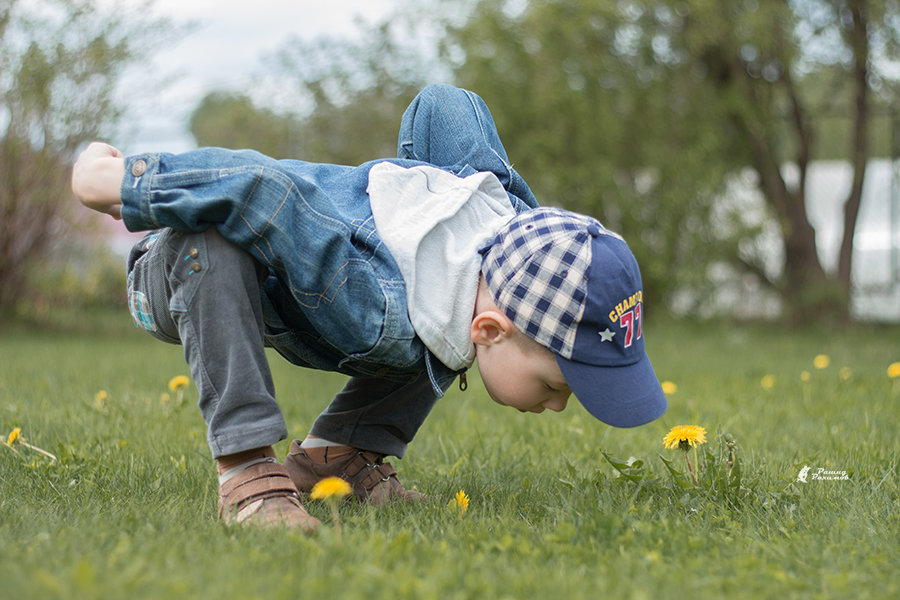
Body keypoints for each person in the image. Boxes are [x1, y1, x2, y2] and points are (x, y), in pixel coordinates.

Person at [71, 84, 667, 531]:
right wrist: (121, 183)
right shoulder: (372, 304)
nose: (559, 405)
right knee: (219, 240)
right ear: (494, 327)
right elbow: (267, 190)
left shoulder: (497, 236)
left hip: (355, 285)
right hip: (178, 269)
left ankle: (337, 456)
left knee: (443, 334)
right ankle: (247, 470)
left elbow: (443, 106)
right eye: (555, 384)